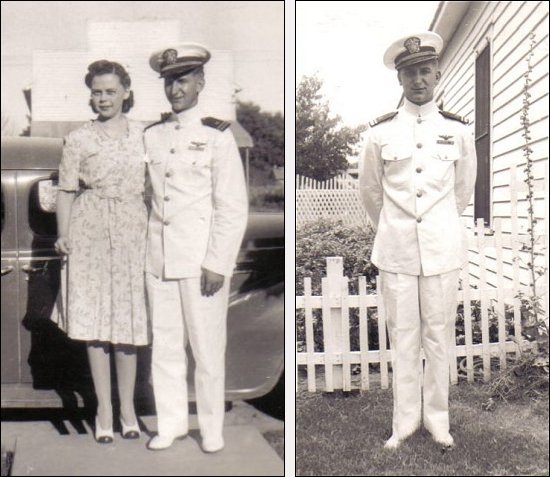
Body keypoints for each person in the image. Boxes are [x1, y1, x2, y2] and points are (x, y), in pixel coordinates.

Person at [359, 32, 477, 450]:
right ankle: (404, 422)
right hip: (397, 249)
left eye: (425, 70)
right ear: (400, 79)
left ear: (438, 74)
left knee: (438, 336)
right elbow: (371, 194)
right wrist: (396, 226)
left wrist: (436, 224)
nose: (418, 79)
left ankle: (438, 420)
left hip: (442, 249)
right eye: (410, 72)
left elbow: (462, 192)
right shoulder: (380, 133)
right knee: (403, 336)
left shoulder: (458, 131)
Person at [144, 43, 248, 452]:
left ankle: (211, 429)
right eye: (170, 81)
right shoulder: (151, 136)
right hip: (160, 259)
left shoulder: (216, 136)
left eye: (183, 80)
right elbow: (148, 200)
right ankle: (170, 425)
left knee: (206, 350)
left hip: (201, 260)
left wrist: (218, 262)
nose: (175, 89)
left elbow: (231, 206)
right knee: (166, 348)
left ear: (200, 82)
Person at [54, 60, 149, 444]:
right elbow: (65, 190)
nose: (103, 98)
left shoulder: (145, 135)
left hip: (131, 229)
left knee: (127, 322)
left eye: (111, 91)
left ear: (126, 92)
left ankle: (127, 408)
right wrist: (63, 233)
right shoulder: (78, 138)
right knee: (95, 324)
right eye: (97, 92)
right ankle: (103, 409)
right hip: (89, 229)